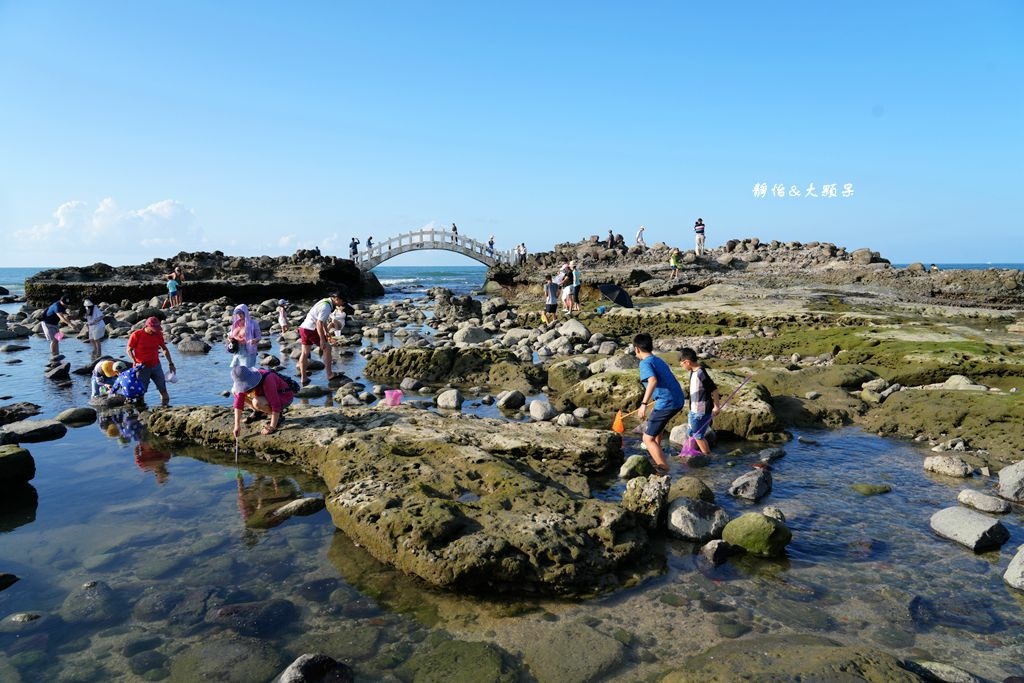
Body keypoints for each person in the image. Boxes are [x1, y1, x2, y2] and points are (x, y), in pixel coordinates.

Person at [634, 333, 685, 474]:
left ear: (637, 349)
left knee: (647, 438)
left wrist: (643, 404)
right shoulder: (658, 360)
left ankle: (663, 468)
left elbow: (653, 381)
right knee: (657, 430)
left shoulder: (644, 363)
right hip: (677, 400)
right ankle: (657, 453)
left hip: (667, 402)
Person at [231, 365, 295, 437]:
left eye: (247, 385)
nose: (246, 388)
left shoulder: (267, 379)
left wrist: (272, 427)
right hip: (263, 395)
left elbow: (275, 404)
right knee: (234, 391)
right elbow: (238, 404)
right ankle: (259, 413)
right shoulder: (243, 380)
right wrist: (237, 425)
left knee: (257, 402)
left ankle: (279, 416)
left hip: (284, 396)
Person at [680, 347, 721, 455]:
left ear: (687, 362)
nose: (682, 366)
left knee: (698, 436)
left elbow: (714, 389)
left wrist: (716, 406)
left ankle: (707, 456)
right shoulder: (693, 372)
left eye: (682, 364)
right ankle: (688, 453)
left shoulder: (700, 372)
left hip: (700, 412)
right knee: (691, 433)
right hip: (693, 410)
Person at [126, 316, 175, 404]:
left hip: (156, 366)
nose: (155, 330)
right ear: (146, 326)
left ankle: (166, 408)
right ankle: (142, 414)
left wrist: (171, 364)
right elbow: (129, 350)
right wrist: (135, 362)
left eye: (157, 328)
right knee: (141, 394)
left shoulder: (158, 334)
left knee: (163, 390)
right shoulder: (137, 334)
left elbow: (164, 348)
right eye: (153, 328)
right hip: (142, 368)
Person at [297, 291, 343, 385]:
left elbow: (323, 320)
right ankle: (330, 374)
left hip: (303, 328)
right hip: (311, 329)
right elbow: (319, 322)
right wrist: (322, 339)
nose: (343, 303)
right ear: (337, 299)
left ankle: (303, 378)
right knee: (327, 348)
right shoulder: (327, 307)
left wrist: (326, 333)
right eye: (342, 301)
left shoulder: (325, 301)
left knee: (305, 353)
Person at [228, 304, 261, 368]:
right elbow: (230, 335)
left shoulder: (253, 323)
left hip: (248, 351)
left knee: (247, 370)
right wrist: (230, 339)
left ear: (245, 312)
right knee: (235, 369)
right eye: (237, 313)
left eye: (241, 313)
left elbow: (259, 336)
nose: (239, 315)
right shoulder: (235, 324)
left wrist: (254, 340)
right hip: (237, 350)